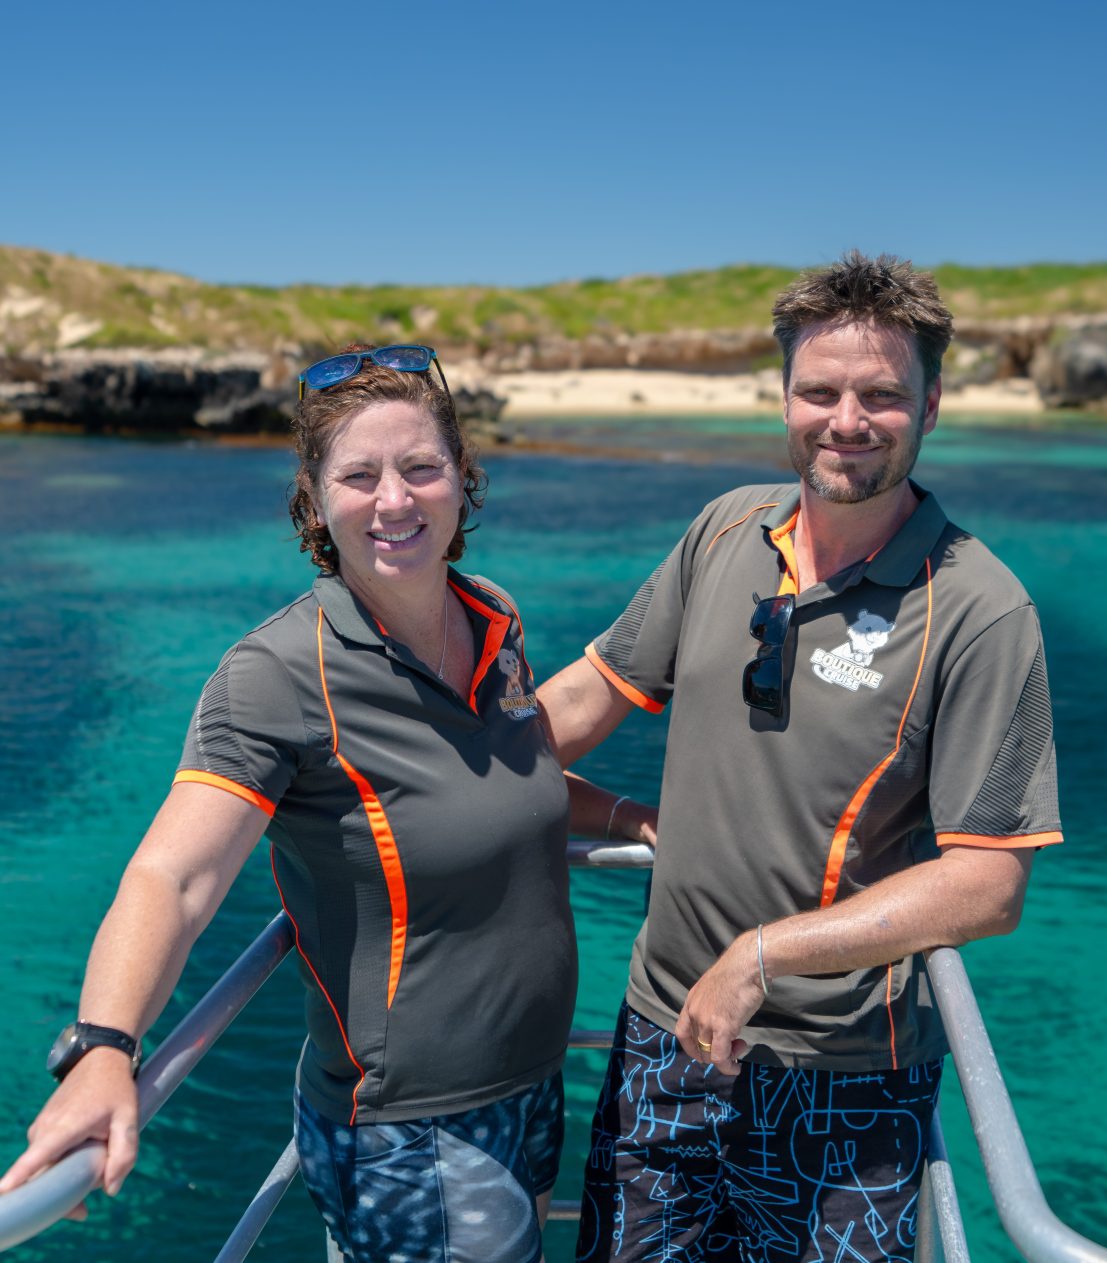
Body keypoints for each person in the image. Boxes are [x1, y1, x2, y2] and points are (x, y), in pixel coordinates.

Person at [0, 344, 653, 1263]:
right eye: (359, 474)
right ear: (313, 500)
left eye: (422, 466)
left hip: (532, 1082)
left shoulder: (492, 616)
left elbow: (509, 775)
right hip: (408, 1137)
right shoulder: (275, 674)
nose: (395, 499)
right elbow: (175, 875)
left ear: (463, 479)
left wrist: (632, 818)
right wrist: (103, 1047)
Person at [536, 254, 1064, 1263]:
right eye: (818, 392)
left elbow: (991, 882)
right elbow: (591, 693)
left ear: (934, 404)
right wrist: (426, 764)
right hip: (666, 1031)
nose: (846, 421)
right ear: (782, 396)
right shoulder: (725, 530)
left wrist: (766, 955)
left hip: (844, 1076)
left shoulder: (983, 610)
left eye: (882, 396)